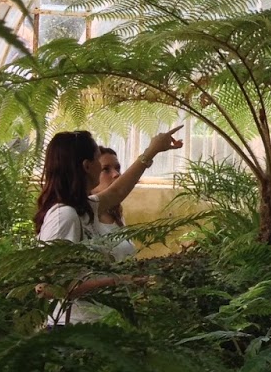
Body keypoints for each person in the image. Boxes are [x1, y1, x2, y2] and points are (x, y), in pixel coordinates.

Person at [34, 128, 182, 322]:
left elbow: (117, 192)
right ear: (87, 166)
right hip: (73, 329)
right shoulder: (64, 215)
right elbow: (48, 288)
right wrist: (117, 281)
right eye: (98, 159)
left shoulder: (83, 208)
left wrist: (152, 151)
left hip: (98, 327)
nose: (104, 167)